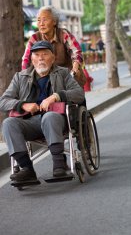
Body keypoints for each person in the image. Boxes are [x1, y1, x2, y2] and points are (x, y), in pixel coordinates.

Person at [0, 40, 85, 183]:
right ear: (32, 59)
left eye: (45, 54)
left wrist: (55, 96)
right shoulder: (20, 77)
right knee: (8, 123)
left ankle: (59, 165)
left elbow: (79, 94)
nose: (40, 58)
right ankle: (27, 169)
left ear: (52, 58)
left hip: (57, 120)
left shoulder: (63, 73)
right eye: (37, 55)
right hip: (29, 122)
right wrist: (22, 105)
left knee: (49, 117)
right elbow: (3, 101)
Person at [22, 6, 86, 87]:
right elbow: (26, 59)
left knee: (73, 95)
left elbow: (76, 52)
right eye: (39, 20)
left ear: (54, 22)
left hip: (68, 78)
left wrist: (75, 66)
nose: (41, 24)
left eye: (45, 20)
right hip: (46, 81)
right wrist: (25, 77)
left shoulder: (63, 34)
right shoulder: (35, 38)